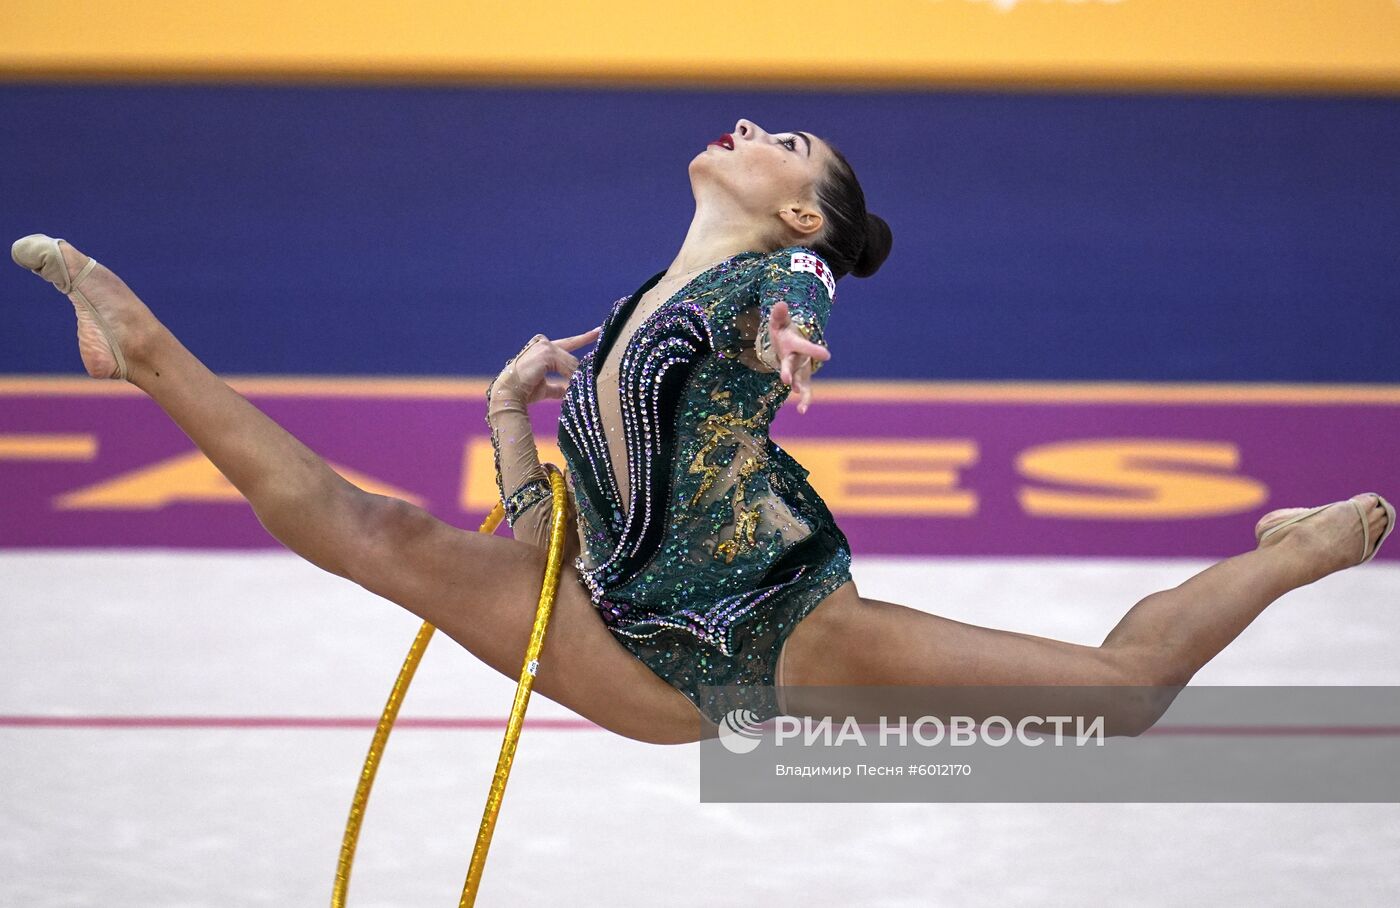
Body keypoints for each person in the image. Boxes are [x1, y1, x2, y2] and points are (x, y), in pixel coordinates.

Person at [12, 118, 1392, 747]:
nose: (751, 127)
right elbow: (559, 538)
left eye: (787, 144)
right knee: (379, 534)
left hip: (767, 632)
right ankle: (145, 346)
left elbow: (804, 291)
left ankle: (1297, 551)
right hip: (621, 625)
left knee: (1117, 700)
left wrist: (803, 321)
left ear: (800, 215)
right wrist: (508, 430)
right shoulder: (621, 321)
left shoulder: (766, 285)